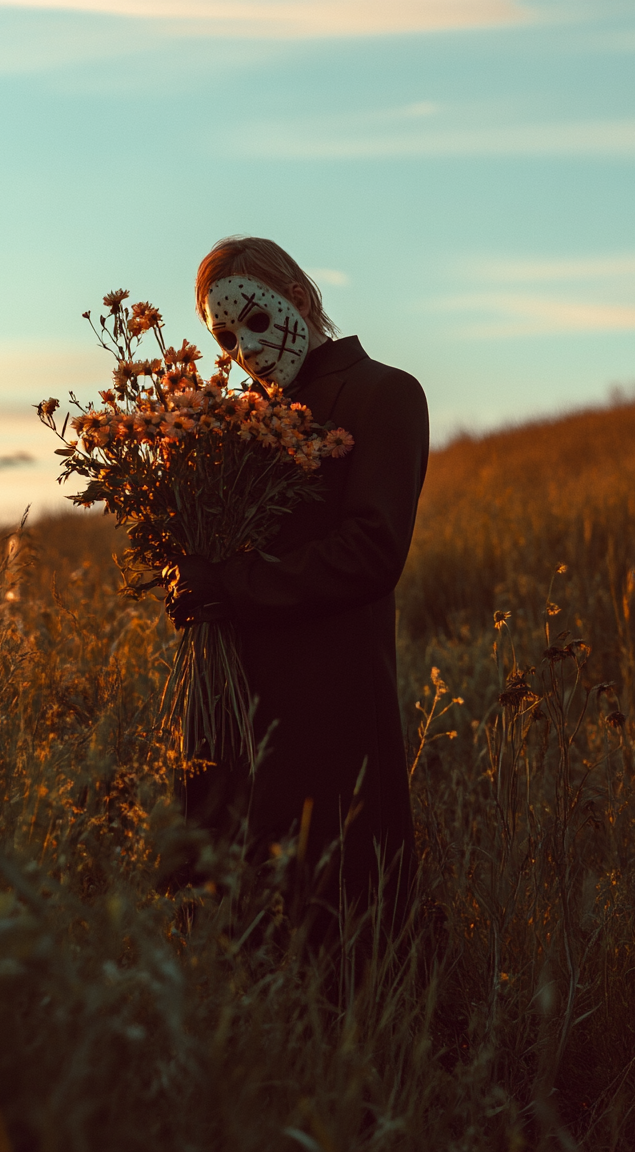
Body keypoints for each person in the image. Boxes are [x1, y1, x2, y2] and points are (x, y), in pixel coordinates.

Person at [165, 236, 430, 938]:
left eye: (256, 320)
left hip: (334, 698)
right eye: (224, 338)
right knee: (245, 908)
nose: (244, 350)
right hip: (241, 703)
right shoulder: (238, 424)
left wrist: (234, 582)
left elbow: (373, 550)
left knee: (345, 912)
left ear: (302, 299)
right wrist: (189, 577)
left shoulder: (384, 392)